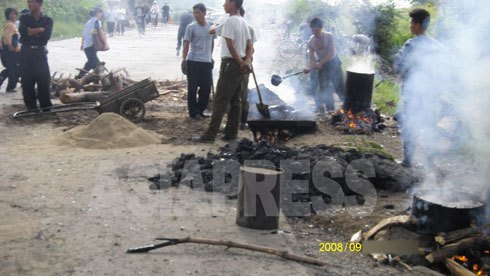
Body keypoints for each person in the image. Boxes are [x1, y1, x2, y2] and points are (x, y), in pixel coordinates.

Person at [193, 0, 253, 143]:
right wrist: (246, 62)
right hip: (240, 64)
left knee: (220, 100)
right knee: (235, 100)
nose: (223, 5)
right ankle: (231, 132)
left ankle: (210, 135)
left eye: (226, 2)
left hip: (231, 64)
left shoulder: (230, 21)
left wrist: (240, 62)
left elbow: (230, 46)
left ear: (233, 3)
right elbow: (250, 46)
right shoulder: (243, 22)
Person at [394, 8, 446, 167]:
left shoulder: (411, 44)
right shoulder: (438, 46)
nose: (410, 25)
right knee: (429, 125)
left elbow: (399, 64)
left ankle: (408, 160)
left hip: (413, 93)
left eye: (411, 22)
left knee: (410, 124)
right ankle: (431, 161)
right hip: (431, 93)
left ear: (417, 24)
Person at [181, 3, 216, 120]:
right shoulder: (191, 27)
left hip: (206, 62)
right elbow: (186, 43)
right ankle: (193, 112)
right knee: (192, 88)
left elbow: (212, 42)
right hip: (193, 61)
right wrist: (184, 59)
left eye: (198, 12)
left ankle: (200, 110)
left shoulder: (211, 26)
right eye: (194, 13)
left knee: (206, 89)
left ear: (204, 13)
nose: (196, 15)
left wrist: (210, 56)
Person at [303, 17, 345, 113]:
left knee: (339, 86)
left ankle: (347, 107)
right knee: (324, 88)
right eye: (313, 30)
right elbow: (312, 58)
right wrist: (309, 68)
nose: (315, 33)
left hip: (334, 63)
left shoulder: (329, 36)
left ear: (321, 28)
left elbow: (331, 53)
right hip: (322, 66)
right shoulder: (311, 42)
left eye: (317, 30)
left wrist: (320, 63)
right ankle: (330, 110)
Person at [18, 0, 53, 111]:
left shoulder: (48, 20)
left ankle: (46, 106)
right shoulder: (24, 18)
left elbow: (46, 36)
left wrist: (31, 31)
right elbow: (24, 32)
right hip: (26, 52)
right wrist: (40, 29)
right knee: (27, 80)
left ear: (40, 3)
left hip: (40, 52)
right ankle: (31, 107)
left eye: (32, 2)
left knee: (43, 79)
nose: (29, 4)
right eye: (28, 2)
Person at [77, 8, 105, 79]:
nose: (101, 15)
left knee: (97, 64)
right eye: (101, 13)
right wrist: (105, 43)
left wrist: (82, 44)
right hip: (92, 45)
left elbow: (84, 34)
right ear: (98, 13)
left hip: (87, 46)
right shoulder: (97, 21)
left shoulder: (88, 22)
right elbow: (100, 33)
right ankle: (79, 77)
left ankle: (98, 78)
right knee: (91, 62)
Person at [0, 8, 21, 92]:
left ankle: (7, 84)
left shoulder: (10, 24)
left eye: (15, 14)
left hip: (10, 50)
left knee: (11, 69)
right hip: (9, 50)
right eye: (11, 14)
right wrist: (10, 45)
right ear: (7, 15)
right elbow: (7, 36)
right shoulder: (10, 25)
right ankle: (10, 87)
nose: (13, 16)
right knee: (13, 69)